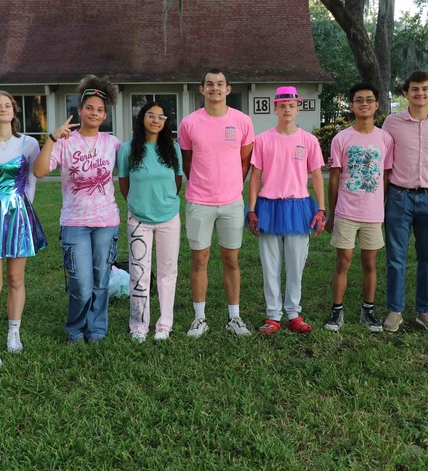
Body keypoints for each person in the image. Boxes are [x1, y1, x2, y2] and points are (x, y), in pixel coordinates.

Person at [35, 77, 122, 344]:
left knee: (101, 280)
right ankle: (75, 329)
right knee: (81, 285)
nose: (94, 113)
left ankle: (96, 330)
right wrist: (51, 137)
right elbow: (39, 171)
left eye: (99, 110)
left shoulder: (113, 143)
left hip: (107, 221)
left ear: (105, 115)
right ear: (80, 110)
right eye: (89, 108)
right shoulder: (65, 142)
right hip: (75, 223)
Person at [0, 90, 47, 367]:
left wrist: (21, 210)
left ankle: (13, 333)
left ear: (14, 111)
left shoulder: (28, 144)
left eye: (7, 105)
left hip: (20, 215)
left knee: (16, 279)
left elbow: (32, 182)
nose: (3, 109)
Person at [177, 68, 255, 338]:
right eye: (209, 84)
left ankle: (234, 317)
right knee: (199, 260)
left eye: (220, 84)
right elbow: (187, 162)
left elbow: (245, 160)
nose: (215, 88)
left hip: (232, 202)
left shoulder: (242, 121)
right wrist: (202, 184)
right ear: (202, 89)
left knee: (231, 260)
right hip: (199, 201)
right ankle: (200, 318)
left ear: (228, 89)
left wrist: (232, 185)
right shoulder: (189, 123)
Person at [247, 87, 327, 334]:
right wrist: (251, 210)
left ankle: (293, 312)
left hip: (298, 205)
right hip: (269, 205)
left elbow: (316, 175)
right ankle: (273, 314)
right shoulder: (262, 140)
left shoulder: (309, 140)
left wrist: (321, 209)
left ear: (298, 108)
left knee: (295, 263)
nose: (287, 110)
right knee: (270, 263)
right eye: (282, 106)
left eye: (291, 106)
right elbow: (255, 177)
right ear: (275, 108)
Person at [381, 71, 428, 333]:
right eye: (414, 89)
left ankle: (424, 311)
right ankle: (395, 310)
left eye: (424, 89)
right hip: (399, 196)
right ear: (406, 93)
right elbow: (384, 160)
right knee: (396, 258)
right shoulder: (392, 122)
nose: (419, 93)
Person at [325, 84, 394, 332]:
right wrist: (331, 214)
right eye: (358, 100)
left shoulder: (385, 138)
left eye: (369, 100)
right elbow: (334, 178)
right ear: (352, 106)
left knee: (370, 262)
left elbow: (386, 177)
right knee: (343, 261)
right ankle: (336, 311)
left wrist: (379, 206)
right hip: (346, 211)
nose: (364, 104)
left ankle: (368, 310)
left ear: (377, 105)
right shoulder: (342, 138)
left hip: (373, 214)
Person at [117, 101, 183, 342]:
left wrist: (163, 201)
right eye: (151, 115)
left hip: (169, 218)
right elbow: (124, 183)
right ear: (142, 118)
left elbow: (177, 181)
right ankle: (139, 325)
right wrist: (138, 204)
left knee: (168, 272)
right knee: (138, 272)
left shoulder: (172, 149)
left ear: (166, 122)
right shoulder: (127, 149)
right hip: (138, 219)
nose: (156, 120)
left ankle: (164, 324)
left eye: (161, 117)